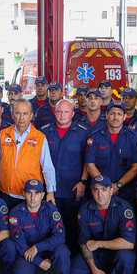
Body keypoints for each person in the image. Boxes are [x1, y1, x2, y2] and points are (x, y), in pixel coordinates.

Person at [71, 175, 137, 274]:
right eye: (96, 190)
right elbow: (84, 244)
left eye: (104, 190)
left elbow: (129, 243)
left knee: (127, 258)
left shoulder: (123, 208)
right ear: (91, 192)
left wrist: (99, 243)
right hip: (97, 253)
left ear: (111, 191)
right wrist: (94, 269)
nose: (100, 194)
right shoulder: (84, 211)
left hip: (117, 251)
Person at [4, 179, 71, 274]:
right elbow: (20, 244)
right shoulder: (15, 213)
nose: (33, 197)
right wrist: (40, 262)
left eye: (36, 193)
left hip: (50, 248)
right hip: (28, 251)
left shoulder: (51, 210)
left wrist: (37, 247)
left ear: (43, 194)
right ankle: (32, 273)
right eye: (29, 193)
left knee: (62, 252)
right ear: (24, 194)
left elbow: (60, 236)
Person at [0, 99, 57, 210]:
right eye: (18, 113)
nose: (21, 117)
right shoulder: (4, 134)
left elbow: (48, 168)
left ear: (31, 115)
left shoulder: (40, 138)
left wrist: (50, 191)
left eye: (25, 113)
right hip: (7, 194)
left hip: (31, 196)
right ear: (12, 115)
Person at [40, 99, 90, 249]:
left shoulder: (83, 132)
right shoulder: (44, 132)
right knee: (50, 223)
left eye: (66, 112)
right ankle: (52, 253)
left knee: (71, 223)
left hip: (72, 188)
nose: (62, 115)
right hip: (50, 189)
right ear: (55, 113)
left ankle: (71, 255)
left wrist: (83, 182)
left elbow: (88, 160)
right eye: (59, 111)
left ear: (73, 114)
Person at [84, 102, 137, 203]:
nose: (115, 117)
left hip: (125, 192)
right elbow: (90, 165)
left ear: (124, 117)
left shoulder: (133, 137)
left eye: (119, 114)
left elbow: (136, 167)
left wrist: (117, 186)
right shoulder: (94, 137)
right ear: (106, 115)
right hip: (100, 192)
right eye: (112, 113)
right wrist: (105, 186)